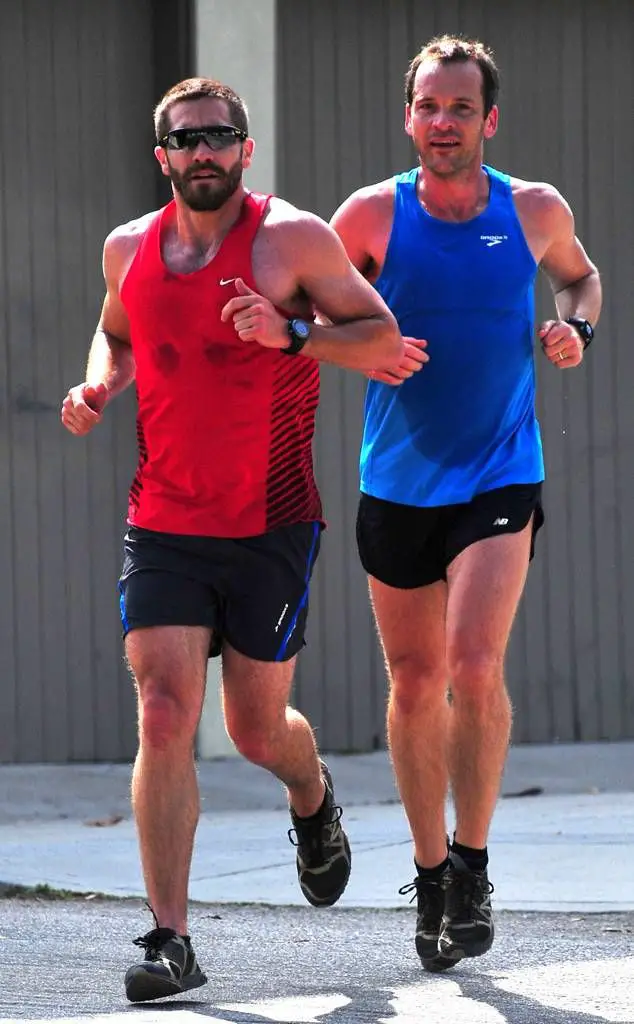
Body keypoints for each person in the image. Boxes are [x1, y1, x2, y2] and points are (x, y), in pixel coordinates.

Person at [61, 76, 406, 1003]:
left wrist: (289, 331)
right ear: (162, 155)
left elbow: (380, 337)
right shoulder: (126, 246)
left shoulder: (293, 237)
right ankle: (171, 938)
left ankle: (313, 794)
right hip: (163, 517)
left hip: (271, 519)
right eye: (185, 140)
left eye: (220, 136)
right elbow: (117, 336)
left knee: (255, 730)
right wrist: (101, 383)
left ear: (245, 150)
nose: (202, 151)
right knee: (166, 713)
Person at [330, 36, 601, 972]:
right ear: (408, 116)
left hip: (500, 472)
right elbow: (306, 319)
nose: (442, 124)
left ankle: (476, 863)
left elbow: (581, 273)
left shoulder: (534, 210)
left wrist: (576, 328)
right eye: (427, 107)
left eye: (460, 108)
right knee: (414, 684)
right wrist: (356, 348)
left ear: (490, 119)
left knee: (474, 666)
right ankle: (432, 866)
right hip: (396, 483)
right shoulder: (368, 217)